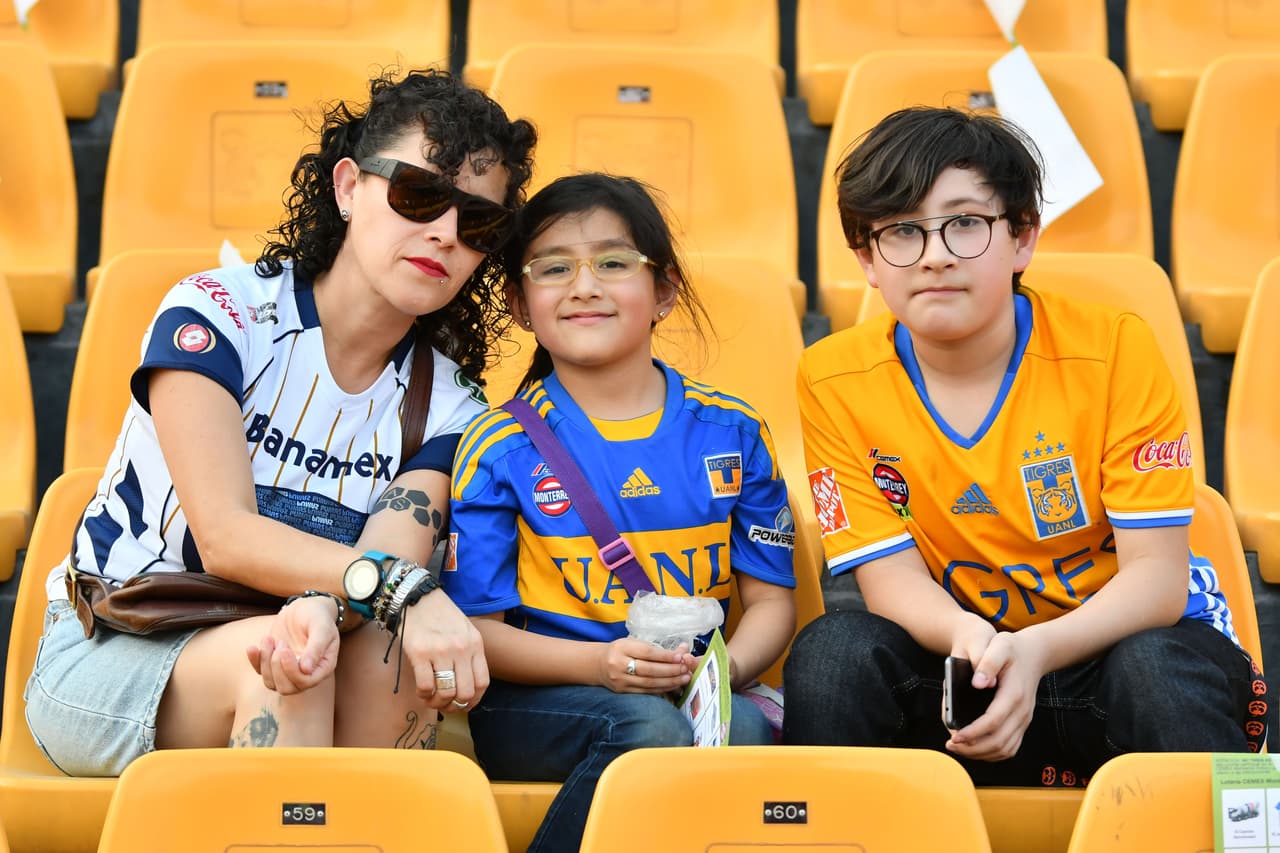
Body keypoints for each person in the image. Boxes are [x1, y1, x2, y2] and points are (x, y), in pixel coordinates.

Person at [24, 68, 536, 775]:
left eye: (477, 222)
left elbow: (389, 562)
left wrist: (337, 606)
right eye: (420, 195)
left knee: (383, 661)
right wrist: (372, 594)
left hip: (310, 635)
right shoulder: (219, 315)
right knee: (284, 666)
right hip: (119, 643)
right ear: (350, 187)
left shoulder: (451, 405)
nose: (445, 233)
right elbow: (226, 535)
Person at [782, 107, 1268, 784]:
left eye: (965, 223)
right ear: (866, 258)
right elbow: (889, 581)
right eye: (901, 231)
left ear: (1023, 238)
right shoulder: (832, 378)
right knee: (834, 650)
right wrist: (972, 642)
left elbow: (1157, 581)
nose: (936, 254)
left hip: (1123, 653)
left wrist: (1035, 650)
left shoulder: (1115, 349)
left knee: (1157, 667)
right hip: (969, 661)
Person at [444, 173, 797, 852]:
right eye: (553, 268)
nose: (584, 285)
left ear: (663, 291)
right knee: (649, 728)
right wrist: (601, 666)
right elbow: (477, 631)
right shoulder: (499, 444)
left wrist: (717, 676)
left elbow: (773, 601)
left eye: (612, 262)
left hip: (688, 687)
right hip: (539, 698)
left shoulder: (735, 430)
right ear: (519, 303)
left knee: (743, 730)